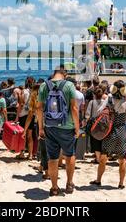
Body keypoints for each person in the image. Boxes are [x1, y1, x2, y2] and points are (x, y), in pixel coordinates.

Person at [37, 66, 79, 196]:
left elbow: (39, 108)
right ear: (64, 74)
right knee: (69, 155)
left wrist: (40, 128)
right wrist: (77, 128)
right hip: (67, 127)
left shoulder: (44, 85)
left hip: (49, 126)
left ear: (54, 74)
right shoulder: (69, 85)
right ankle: (69, 184)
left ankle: (54, 187)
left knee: (53, 158)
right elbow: (74, 108)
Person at [90, 81, 126, 189]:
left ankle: (98, 180)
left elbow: (100, 110)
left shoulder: (109, 99)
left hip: (109, 131)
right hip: (121, 132)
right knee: (122, 160)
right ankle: (121, 183)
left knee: (103, 158)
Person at [85, 86, 106, 164]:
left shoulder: (92, 102)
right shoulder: (105, 102)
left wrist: (86, 121)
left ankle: (97, 158)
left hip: (94, 124)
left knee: (95, 141)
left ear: (94, 95)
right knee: (102, 140)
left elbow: (87, 114)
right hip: (103, 124)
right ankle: (102, 157)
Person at [16, 77, 35, 160]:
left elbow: (21, 104)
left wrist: (17, 116)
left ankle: (22, 153)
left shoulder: (24, 91)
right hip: (31, 115)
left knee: (22, 135)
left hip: (23, 115)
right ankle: (30, 155)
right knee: (30, 135)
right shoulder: (34, 92)